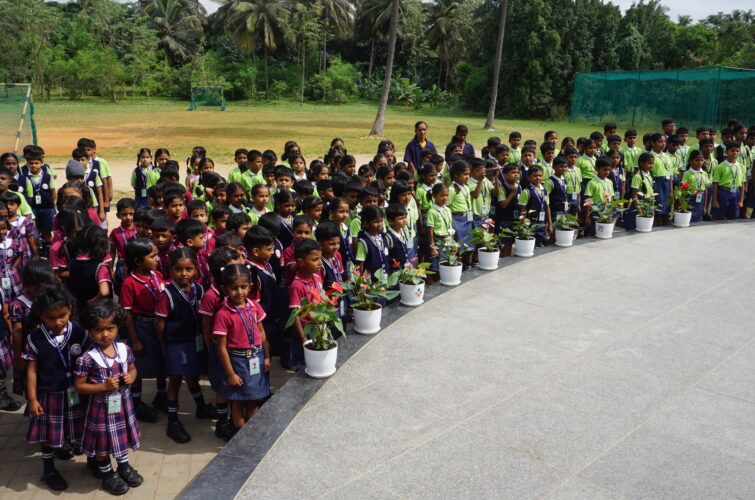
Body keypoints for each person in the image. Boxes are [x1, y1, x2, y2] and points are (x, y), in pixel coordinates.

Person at [74, 299, 143, 495]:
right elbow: (79, 386)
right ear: (90, 331)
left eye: (110, 328)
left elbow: (133, 369)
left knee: (121, 437)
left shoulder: (124, 349)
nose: (105, 334)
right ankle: (107, 474)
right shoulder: (87, 358)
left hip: (123, 405)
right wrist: (103, 386)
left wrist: (131, 377)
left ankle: (124, 467)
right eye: (98, 330)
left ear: (117, 327)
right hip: (101, 410)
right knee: (103, 443)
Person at [23, 282, 87, 491]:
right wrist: (32, 399)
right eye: (51, 318)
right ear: (41, 315)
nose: (57, 321)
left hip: (77, 392)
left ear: (70, 309)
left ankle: (95, 461)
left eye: (62, 315)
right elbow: (31, 371)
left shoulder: (78, 332)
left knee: (80, 427)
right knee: (49, 435)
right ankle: (49, 469)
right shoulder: (35, 338)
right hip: (49, 395)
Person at [154, 247, 214, 444]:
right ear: (171, 269)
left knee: (192, 376)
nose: (184, 273)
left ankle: (201, 407)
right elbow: (159, 323)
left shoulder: (199, 289)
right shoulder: (167, 294)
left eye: (189, 269)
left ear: (196, 269)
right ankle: (173, 422)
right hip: (176, 344)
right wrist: (164, 346)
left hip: (193, 341)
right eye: (178, 269)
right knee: (175, 380)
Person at [213, 264, 270, 436]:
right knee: (237, 401)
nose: (239, 292)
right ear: (225, 289)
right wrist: (230, 374)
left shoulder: (254, 306)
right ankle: (240, 436)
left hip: (256, 358)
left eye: (243, 287)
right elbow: (222, 348)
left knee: (254, 399)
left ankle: (251, 435)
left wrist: (267, 356)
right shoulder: (223, 314)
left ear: (250, 286)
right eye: (234, 288)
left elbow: (261, 332)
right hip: (237, 362)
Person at [199, 247, 244, 441]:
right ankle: (221, 422)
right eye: (234, 267)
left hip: (235, 347)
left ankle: (234, 418)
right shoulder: (212, 295)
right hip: (220, 347)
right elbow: (206, 324)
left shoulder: (235, 290)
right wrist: (211, 347)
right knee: (221, 387)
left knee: (233, 383)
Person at [119, 238, 165, 422]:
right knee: (138, 366)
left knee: (161, 362)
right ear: (138, 261)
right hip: (141, 327)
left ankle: (161, 395)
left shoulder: (157, 275)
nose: (157, 259)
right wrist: (135, 339)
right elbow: (127, 314)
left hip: (158, 326)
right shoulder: (129, 283)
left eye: (156, 255)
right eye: (152, 256)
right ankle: (136, 402)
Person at [287, 239, 323, 370]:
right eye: (315, 259)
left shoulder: (317, 277)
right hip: (304, 329)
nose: (320, 263)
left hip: (318, 325)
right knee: (303, 362)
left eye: (320, 258)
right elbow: (295, 314)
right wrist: (303, 337)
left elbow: (322, 298)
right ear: (301, 262)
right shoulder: (297, 286)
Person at [65, 225, 112, 312]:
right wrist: (92, 301)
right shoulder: (100, 267)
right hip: (97, 310)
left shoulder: (72, 263)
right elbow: (104, 291)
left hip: (79, 308)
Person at [447, 160, 474, 268]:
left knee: (470, 242)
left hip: (467, 218)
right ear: (456, 175)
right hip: (457, 219)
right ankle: (458, 265)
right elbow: (447, 206)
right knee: (459, 244)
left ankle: (468, 264)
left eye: (468, 174)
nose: (467, 177)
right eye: (465, 174)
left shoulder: (466, 187)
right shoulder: (452, 189)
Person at [518, 166, 551, 246]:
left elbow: (547, 208)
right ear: (529, 177)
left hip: (542, 222)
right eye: (535, 176)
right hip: (530, 224)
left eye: (540, 175)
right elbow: (522, 211)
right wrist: (522, 226)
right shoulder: (526, 191)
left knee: (540, 243)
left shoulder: (544, 190)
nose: (538, 178)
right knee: (531, 245)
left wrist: (549, 224)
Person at [425, 183, 452, 277]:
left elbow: (449, 226)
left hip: (447, 239)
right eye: (441, 195)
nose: (444, 198)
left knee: (445, 262)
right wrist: (432, 246)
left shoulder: (448, 209)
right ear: (434, 196)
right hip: (438, 240)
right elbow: (430, 231)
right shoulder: (432, 211)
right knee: (436, 265)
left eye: (446, 195)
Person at [711, 141, 742, 220]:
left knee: (733, 216)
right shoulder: (720, 167)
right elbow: (715, 184)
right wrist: (715, 200)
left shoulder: (741, 166)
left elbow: (743, 184)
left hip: (736, 193)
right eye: (732, 151)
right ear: (726, 152)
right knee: (719, 216)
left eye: (737, 151)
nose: (735, 153)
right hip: (723, 193)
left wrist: (741, 200)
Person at [625, 152, 655, 232]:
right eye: (649, 163)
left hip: (648, 204)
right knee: (635, 229)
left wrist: (652, 209)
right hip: (639, 205)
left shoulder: (650, 175)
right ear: (642, 163)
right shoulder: (637, 177)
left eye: (652, 164)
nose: (651, 166)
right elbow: (634, 196)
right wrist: (639, 210)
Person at [682, 150, 709, 223]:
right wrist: (683, 205)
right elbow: (683, 190)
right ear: (691, 161)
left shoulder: (704, 173)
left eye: (702, 160)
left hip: (701, 197)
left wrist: (705, 206)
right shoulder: (687, 174)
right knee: (690, 218)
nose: (700, 162)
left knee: (699, 219)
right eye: (697, 160)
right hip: (691, 198)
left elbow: (706, 190)